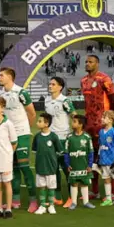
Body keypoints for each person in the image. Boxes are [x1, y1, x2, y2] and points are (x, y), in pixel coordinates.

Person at [0, 67, 36, 213]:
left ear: (9, 77)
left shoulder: (21, 92)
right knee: (12, 168)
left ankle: (33, 200)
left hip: (22, 134)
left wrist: (25, 130)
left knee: (25, 167)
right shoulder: (1, 93)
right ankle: (16, 200)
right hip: (8, 136)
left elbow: (32, 113)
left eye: (1, 75)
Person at [80, 55, 114, 196]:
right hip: (89, 123)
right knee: (92, 157)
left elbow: (113, 98)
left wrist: (111, 118)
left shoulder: (104, 79)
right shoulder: (83, 80)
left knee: (107, 155)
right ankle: (94, 190)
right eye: (86, 61)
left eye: (91, 62)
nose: (88, 64)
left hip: (103, 122)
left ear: (97, 63)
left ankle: (112, 192)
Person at [44, 76, 76, 205]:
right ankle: (57, 197)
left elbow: (73, 115)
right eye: (49, 84)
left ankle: (71, 197)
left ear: (60, 87)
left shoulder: (65, 101)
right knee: (54, 169)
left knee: (66, 168)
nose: (50, 86)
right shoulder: (46, 100)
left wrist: (75, 131)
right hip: (51, 138)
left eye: (53, 84)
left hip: (63, 138)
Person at [31, 112, 63, 215]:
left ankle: (51, 205)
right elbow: (35, 151)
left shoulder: (53, 137)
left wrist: (53, 160)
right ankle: (43, 206)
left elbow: (60, 150)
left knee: (51, 187)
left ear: (46, 123)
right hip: (40, 166)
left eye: (40, 121)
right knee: (42, 187)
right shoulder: (37, 137)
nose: (37, 123)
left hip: (51, 167)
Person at [65, 115, 95, 209]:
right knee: (74, 183)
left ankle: (86, 202)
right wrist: (67, 164)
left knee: (84, 182)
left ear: (80, 124)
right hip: (73, 165)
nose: (72, 123)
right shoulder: (69, 137)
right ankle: (74, 203)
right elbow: (66, 152)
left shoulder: (87, 137)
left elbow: (91, 152)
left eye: (74, 121)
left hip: (84, 165)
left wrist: (90, 165)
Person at [97, 111, 114, 207]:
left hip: (112, 160)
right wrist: (98, 156)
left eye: (104, 117)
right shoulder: (101, 132)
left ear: (111, 120)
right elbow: (101, 145)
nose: (102, 119)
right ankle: (108, 199)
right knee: (106, 180)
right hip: (104, 160)